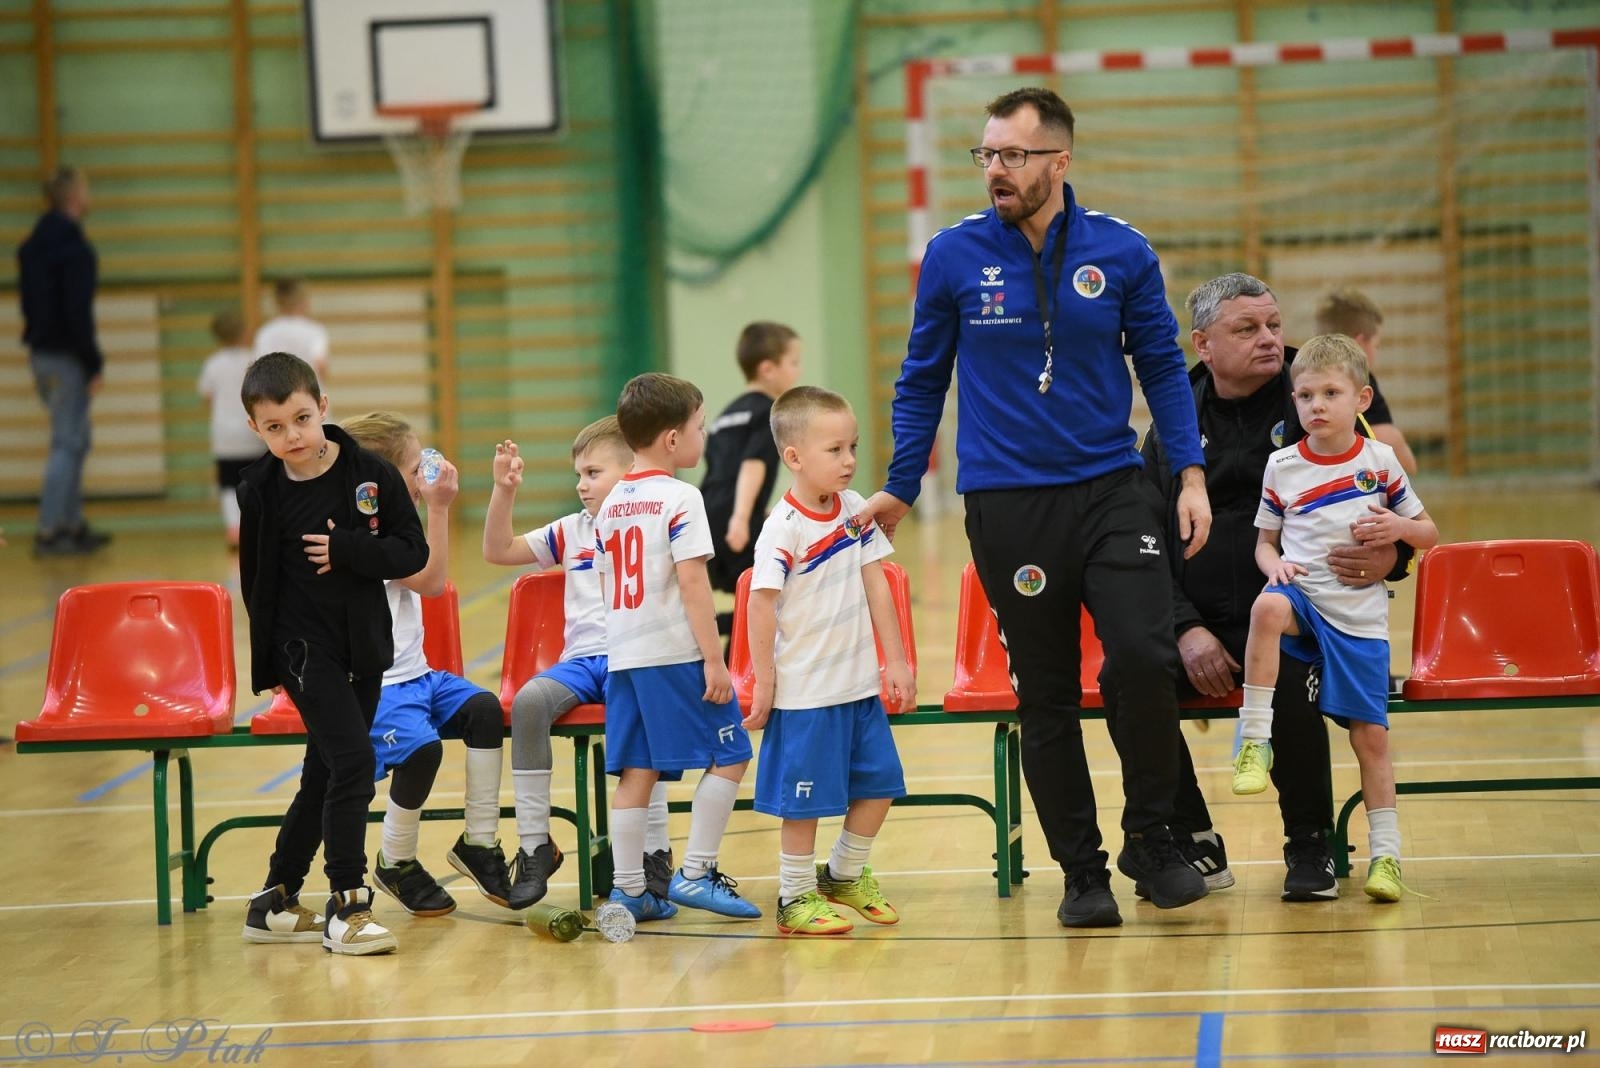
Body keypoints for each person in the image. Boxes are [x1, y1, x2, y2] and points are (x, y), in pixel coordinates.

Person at [860, 86, 1213, 929]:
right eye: (985, 155)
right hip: (1009, 504)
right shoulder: (951, 257)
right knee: (1045, 693)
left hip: (1112, 489)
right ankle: (1082, 873)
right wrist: (902, 486)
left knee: (1141, 656)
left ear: (1059, 161)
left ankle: (1153, 839)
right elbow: (921, 381)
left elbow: (1162, 367)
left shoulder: (1121, 251)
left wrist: (1190, 474)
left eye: (1012, 155)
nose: (995, 171)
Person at [1138, 272, 1417, 902]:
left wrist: (1392, 557)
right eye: (1248, 329)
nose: (1269, 339)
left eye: (1273, 325)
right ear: (1203, 343)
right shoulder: (1173, 413)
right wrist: (1185, 627)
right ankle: (1190, 839)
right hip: (1199, 615)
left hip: (1303, 609)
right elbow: (1145, 534)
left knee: (1290, 671)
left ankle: (1310, 845)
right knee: (1130, 677)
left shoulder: (1314, 391)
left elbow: (1384, 499)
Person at [1233, 334, 1438, 903]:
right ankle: (1254, 741)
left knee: (1371, 740)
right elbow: (1263, 544)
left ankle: (1387, 856)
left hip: (1358, 620)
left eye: (1330, 392)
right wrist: (1275, 568)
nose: (1315, 405)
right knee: (1267, 606)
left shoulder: (1381, 461)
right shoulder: (1282, 466)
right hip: (1305, 604)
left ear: (1362, 399)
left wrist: (1397, 531)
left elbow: (1428, 533)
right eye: (1304, 395)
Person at [236, 352, 428, 956]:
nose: (290, 436)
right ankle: (348, 902)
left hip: (363, 646)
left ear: (322, 407)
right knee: (352, 762)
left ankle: (274, 899)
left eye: (299, 419)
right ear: (255, 430)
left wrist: (347, 549)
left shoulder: (370, 475)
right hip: (300, 648)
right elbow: (255, 582)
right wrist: (266, 663)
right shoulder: (259, 491)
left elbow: (410, 553)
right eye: (274, 428)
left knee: (322, 772)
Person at [482, 419, 679, 910]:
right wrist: (503, 491)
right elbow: (497, 550)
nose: (581, 484)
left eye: (593, 472)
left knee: (639, 721)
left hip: (635, 660)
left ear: (630, 469)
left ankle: (654, 853)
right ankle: (535, 848)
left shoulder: (655, 522)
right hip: (581, 663)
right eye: (579, 474)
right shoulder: (572, 530)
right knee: (528, 703)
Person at [744, 386, 915, 936]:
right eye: (835, 450)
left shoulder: (854, 509)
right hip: (807, 696)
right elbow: (760, 604)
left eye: (852, 448)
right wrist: (765, 683)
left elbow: (877, 587)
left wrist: (896, 662)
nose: (848, 461)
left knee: (880, 787)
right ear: (794, 457)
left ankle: (842, 873)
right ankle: (794, 898)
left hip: (859, 689)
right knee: (804, 806)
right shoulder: (782, 528)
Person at [596, 372, 760, 922]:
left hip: (625, 656)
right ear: (672, 439)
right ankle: (695, 873)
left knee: (637, 771)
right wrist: (715, 660)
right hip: (673, 654)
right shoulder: (681, 496)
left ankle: (627, 891)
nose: (703, 437)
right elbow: (693, 585)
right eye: (699, 426)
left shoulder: (613, 498)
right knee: (733, 754)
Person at [340, 413, 512, 918]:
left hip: (418, 674)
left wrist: (427, 502)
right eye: (416, 468)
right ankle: (395, 859)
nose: (427, 474)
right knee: (422, 753)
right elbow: (431, 582)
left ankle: (478, 842)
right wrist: (438, 508)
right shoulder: (362, 533)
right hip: (377, 683)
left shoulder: (390, 522)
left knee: (483, 710)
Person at [18, 166, 110, 557]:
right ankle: (50, 530)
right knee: (67, 442)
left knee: (75, 440)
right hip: (65, 356)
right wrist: (92, 362)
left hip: (42, 354)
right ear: (74, 198)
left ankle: (70, 525)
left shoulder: (34, 245)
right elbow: (75, 314)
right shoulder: (74, 250)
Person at [701, 321, 803, 636]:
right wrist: (742, 518)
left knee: (751, 595)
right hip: (735, 524)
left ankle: (729, 652)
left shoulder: (726, 415)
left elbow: (720, 471)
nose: (798, 371)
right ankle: (707, 630)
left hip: (705, 520)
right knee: (785, 591)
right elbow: (752, 464)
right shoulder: (767, 411)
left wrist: (757, 512)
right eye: (794, 363)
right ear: (768, 369)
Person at [1314, 289, 1418, 474]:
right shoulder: (1359, 379)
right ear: (1360, 343)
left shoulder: (1303, 376)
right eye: (1376, 346)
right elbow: (1392, 446)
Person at [196, 309, 265, 548]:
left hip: (224, 434)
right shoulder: (255, 359)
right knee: (256, 482)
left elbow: (206, 395)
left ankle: (233, 529)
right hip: (253, 431)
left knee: (228, 484)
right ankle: (253, 526)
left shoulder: (213, 363)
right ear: (245, 332)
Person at [255, 279, 330, 389]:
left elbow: (259, 368)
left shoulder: (266, 332)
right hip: (308, 394)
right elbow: (321, 364)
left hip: (277, 395)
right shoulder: (314, 331)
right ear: (303, 301)